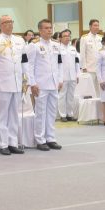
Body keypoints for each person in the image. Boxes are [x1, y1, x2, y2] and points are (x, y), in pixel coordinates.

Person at [0, 15, 28, 155]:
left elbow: (24, 61)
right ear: (1, 25)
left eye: (11, 22)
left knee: (14, 114)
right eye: (6, 22)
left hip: (17, 83)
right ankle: (3, 144)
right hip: (2, 83)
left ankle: (12, 142)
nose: (10, 24)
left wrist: (25, 80)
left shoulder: (19, 40)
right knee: (2, 115)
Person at [27, 19, 64, 151]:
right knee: (41, 112)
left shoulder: (56, 45)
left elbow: (60, 64)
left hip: (53, 83)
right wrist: (32, 83)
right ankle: (40, 139)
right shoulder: (34, 45)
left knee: (52, 112)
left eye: (50, 28)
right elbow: (29, 66)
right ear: (40, 30)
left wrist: (60, 80)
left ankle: (50, 138)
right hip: (41, 84)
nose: (49, 30)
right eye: (46, 28)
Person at [57, 30, 80, 122]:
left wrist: (78, 74)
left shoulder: (73, 49)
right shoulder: (58, 49)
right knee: (62, 96)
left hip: (72, 76)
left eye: (68, 36)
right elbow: (57, 64)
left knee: (71, 96)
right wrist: (59, 78)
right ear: (60, 38)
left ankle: (70, 114)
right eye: (65, 36)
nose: (67, 38)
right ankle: (62, 115)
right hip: (63, 76)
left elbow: (77, 63)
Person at [80, 19, 103, 85]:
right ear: (90, 27)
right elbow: (82, 54)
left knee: (100, 89)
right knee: (90, 88)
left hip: (100, 68)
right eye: (95, 25)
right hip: (89, 69)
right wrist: (84, 67)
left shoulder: (101, 38)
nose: (97, 27)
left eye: (98, 25)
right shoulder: (85, 38)